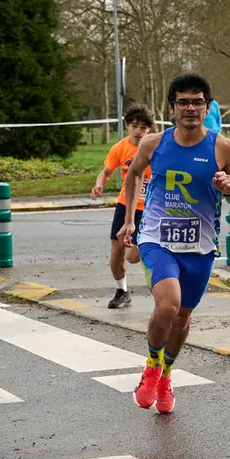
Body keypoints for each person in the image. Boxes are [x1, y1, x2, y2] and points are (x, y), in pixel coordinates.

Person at [118, 73, 230, 414]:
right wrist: (130, 220)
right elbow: (133, 174)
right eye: (183, 102)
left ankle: (165, 375)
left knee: (182, 318)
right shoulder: (153, 144)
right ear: (172, 108)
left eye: (197, 102)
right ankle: (152, 366)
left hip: (200, 247)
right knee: (168, 306)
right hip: (157, 240)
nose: (190, 108)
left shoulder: (223, 148)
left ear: (208, 107)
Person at [91, 104, 154, 308]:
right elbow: (106, 172)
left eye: (143, 127)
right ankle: (122, 291)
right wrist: (99, 184)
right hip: (126, 205)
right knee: (117, 250)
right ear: (127, 126)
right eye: (134, 126)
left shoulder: (156, 148)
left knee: (133, 256)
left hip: (151, 207)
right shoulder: (120, 148)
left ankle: (160, 284)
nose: (138, 131)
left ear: (149, 129)